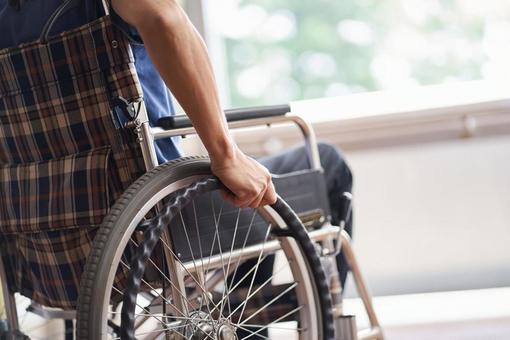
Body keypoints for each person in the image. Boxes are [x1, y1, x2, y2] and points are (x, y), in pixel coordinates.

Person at [0, 0, 353, 319]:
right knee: (325, 160)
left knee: (244, 194)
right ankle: (315, 318)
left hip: (43, 247)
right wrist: (225, 154)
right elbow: (164, 18)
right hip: (153, 224)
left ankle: (240, 315)